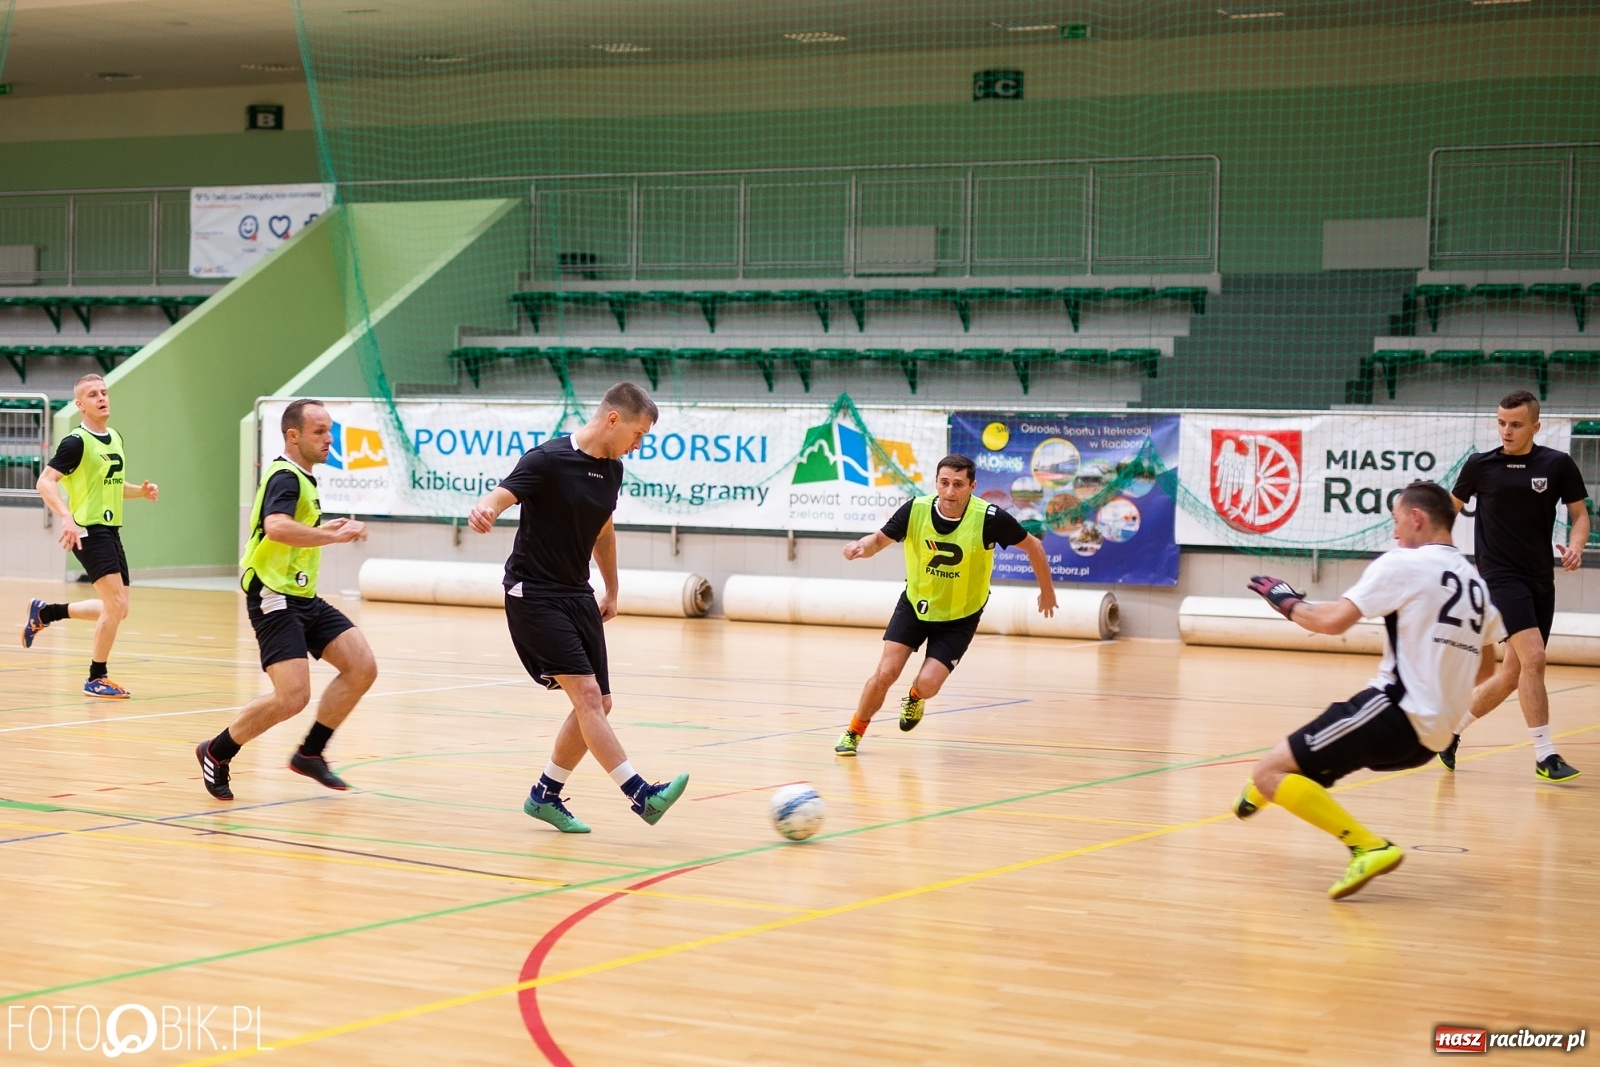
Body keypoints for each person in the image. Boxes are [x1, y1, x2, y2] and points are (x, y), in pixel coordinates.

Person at [1234, 482, 1504, 899]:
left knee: (1269, 772)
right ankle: (1273, 787)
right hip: (1430, 741)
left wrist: (1286, 602)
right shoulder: (1477, 585)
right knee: (1300, 760)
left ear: (1417, 518)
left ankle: (1367, 846)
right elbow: (1484, 666)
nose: (1395, 533)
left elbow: (1332, 623)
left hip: (1394, 714)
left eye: (1397, 521)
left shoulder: (1403, 563)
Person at [469, 382, 688, 834]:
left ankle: (545, 795)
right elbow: (502, 494)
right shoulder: (547, 460)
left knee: (600, 703)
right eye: (639, 434)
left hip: (577, 593)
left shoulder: (613, 470)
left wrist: (611, 588)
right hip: (534, 595)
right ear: (613, 419)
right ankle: (641, 795)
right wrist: (485, 510)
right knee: (586, 696)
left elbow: (603, 532)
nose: (639, 444)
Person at [195, 398, 377, 801]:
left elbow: (289, 528)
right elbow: (276, 527)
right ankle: (216, 750)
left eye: (330, 430)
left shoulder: (302, 478)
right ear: (293, 436)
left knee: (361, 666)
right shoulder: (286, 476)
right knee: (292, 697)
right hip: (274, 596)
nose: (329, 439)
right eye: (319, 431)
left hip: (302, 596)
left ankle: (310, 753)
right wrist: (333, 536)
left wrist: (322, 527)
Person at [834, 453, 1058, 756]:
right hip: (915, 606)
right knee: (885, 673)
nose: (950, 491)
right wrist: (861, 547)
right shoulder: (915, 509)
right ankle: (853, 732)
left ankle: (915, 697)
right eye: (944, 483)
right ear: (936, 483)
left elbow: (1034, 545)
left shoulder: (990, 519)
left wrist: (1047, 592)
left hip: (960, 617)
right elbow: (878, 540)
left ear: (972, 486)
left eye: (958, 484)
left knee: (927, 684)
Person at [1443, 390, 1589, 782]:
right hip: (1498, 578)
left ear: (1535, 427)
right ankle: (1545, 755)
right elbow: (1446, 514)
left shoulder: (1556, 464)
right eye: (1501, 423)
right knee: (1536, 658)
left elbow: (1580, 516)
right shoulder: (1480, 466)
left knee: (1513, 674)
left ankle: (1450, 733)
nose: (1506, 431)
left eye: (1516, 424)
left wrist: (1575, 548)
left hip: (1540, 579)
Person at [23, 373, 158, 698]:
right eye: (93, 394)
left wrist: (140, 492)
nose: (101, 398)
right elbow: (45, 482)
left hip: (111, 530)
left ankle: (46, 612)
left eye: (104, 392)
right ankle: (96, 677)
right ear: (80, 405)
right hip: (87, 530)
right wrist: (67, 518)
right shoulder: (76, 442)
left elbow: (110, 487)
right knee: (115, 604)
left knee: (119, 609)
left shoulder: (114, 437)